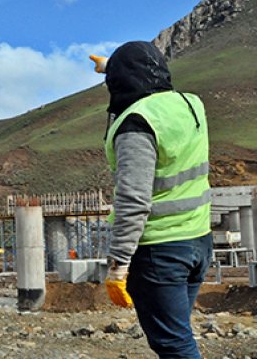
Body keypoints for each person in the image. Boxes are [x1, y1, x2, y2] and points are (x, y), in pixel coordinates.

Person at [90, 41, 212, 358]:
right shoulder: (190, 104)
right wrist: (113, 66)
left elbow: (133, 200)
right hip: (198, 242)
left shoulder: (136, 124)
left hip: (160, 250)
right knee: (178, 333)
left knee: (173, 344)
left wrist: (118, 266)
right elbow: (146, 79)